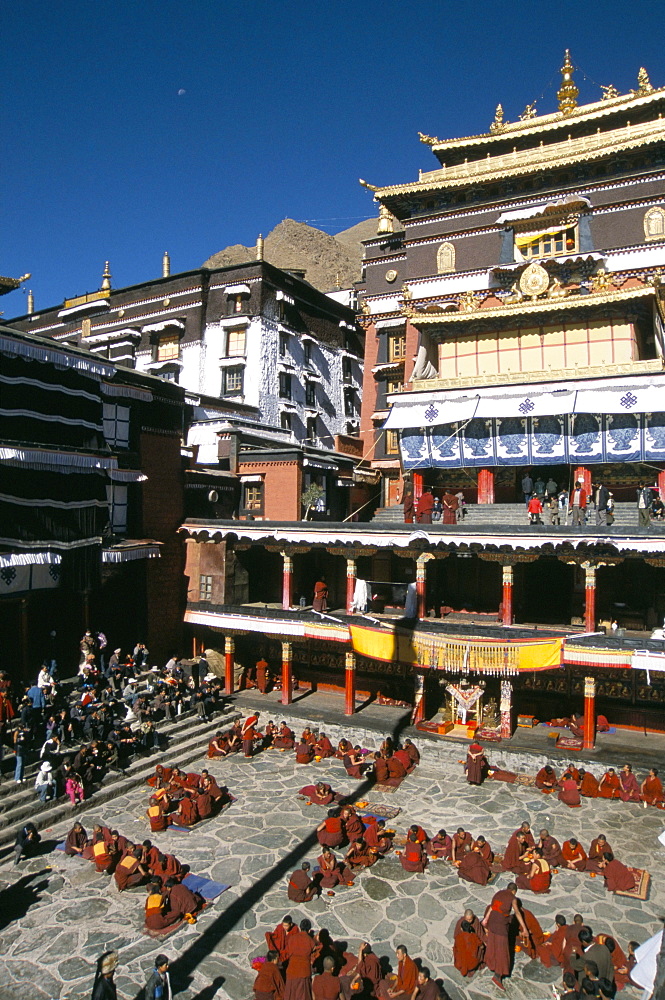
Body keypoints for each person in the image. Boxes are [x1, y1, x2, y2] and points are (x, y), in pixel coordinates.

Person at [482, 883, 528, 989]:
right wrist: (524, 928)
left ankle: (492, 964)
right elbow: (516, 912)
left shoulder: (498, 894)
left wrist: (485, 920)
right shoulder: (513, 898)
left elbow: (492, 907)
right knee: (502, 951)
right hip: (501, 926)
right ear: (514, 891)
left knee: (492, 945)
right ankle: (498, 975)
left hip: (492, 922)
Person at [284, 919, 315, 1000]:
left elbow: (288, 952)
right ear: (309, 930)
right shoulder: (310, 941)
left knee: (291, 995)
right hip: (304, 972)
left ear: (300, 928)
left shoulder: (292, 939)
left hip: (292, 971)